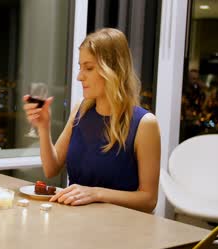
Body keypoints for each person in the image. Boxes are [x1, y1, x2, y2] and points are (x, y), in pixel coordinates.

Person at [23, 28, 160, 213]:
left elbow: (149, 199)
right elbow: (51, 169)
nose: (80, 76)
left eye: (88, 68)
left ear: (113, 70)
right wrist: (43, 127)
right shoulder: (81, 110)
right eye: (80, 67)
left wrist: (96, 194)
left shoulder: (145, 124)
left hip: (121, 229)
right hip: (76, 222)